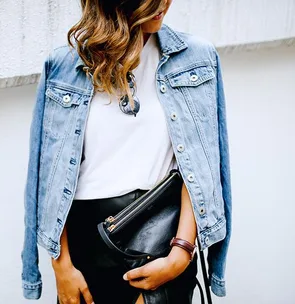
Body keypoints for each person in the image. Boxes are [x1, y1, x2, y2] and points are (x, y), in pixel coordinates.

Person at [21, 0, 232, 303]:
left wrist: (181, 253)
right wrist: (62, 266)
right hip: (84, 254)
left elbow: (202, 166)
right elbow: (48, 176)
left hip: (162, 242)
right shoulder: (63, 66)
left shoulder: (194, 59)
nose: (165, 4)